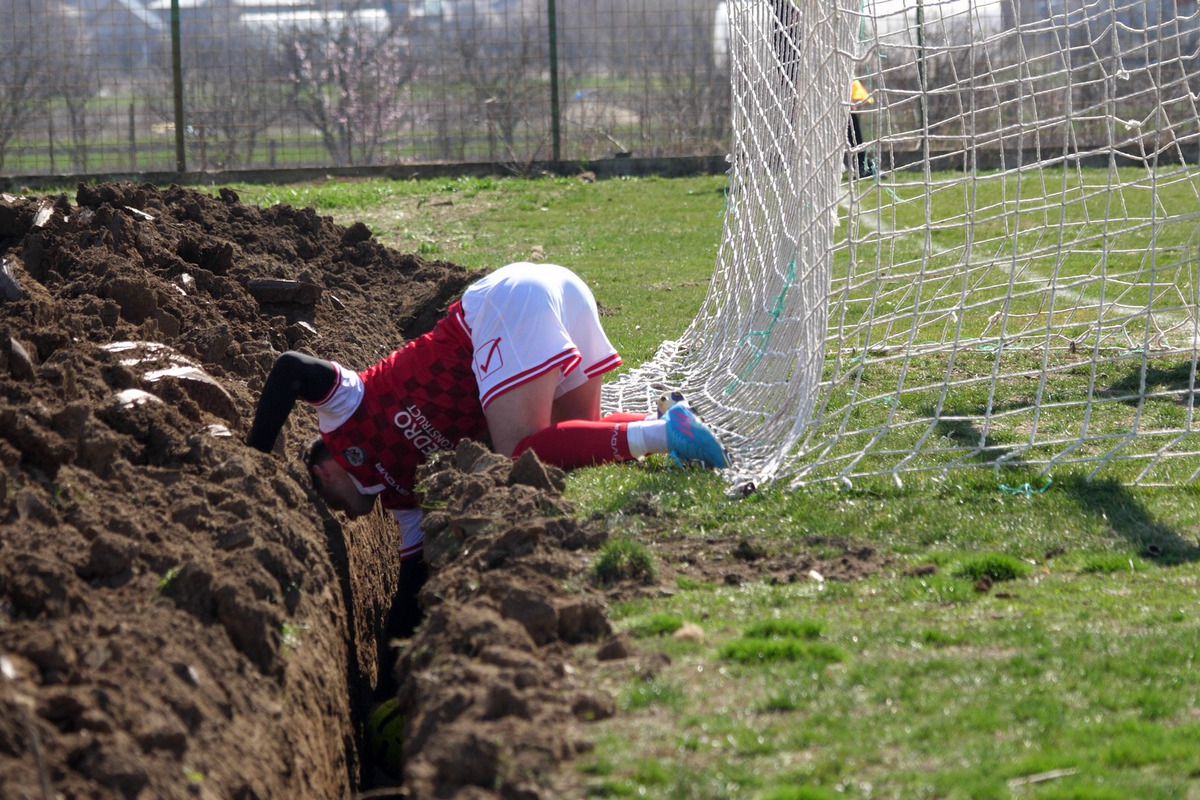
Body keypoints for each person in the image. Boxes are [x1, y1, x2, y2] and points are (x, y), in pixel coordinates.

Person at [247, 261, 728, 568]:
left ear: (324, 467)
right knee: (570, 442)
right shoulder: (404, 506)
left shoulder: (342, 413)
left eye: (322, 497)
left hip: (503, 305)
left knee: (520, 452)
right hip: (560, 290)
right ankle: (670, 421)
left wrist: (256, 461)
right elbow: (413, 584)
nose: (338, 514)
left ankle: (667, 434)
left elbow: (290, 367)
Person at [848, 78, 875, 178]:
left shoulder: (852, 81)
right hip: (846, 113)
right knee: (856, 141)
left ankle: (863, 166)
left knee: (856, 142)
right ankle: (862, 167)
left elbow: (867, 100)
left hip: (849, 113)